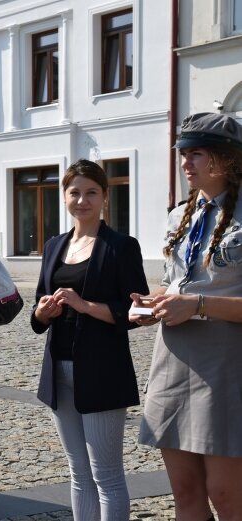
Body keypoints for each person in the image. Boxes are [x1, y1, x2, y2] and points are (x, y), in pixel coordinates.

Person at [132, 113, 242, 521]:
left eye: (196, 153)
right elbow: (180, 285)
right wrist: (154, 302)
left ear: (227, 158)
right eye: (182, 153)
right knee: (184, 490)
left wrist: (196, 305)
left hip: (227, 366)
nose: (185, 162)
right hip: (174, 361)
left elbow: (199, 297)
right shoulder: (179, 216)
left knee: (227, 495)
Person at [32, 159, 149, 521]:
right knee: (79, 473)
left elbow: (137, 312)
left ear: (105, 197)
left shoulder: (121, 246)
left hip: (102, 370)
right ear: (64, 196)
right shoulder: (54, 246)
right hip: (59, 369)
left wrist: (84, 305)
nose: (82, 200)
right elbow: (36, 315)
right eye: (74, 192)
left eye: (91, 192)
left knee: (107, 475)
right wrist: (42, 312)